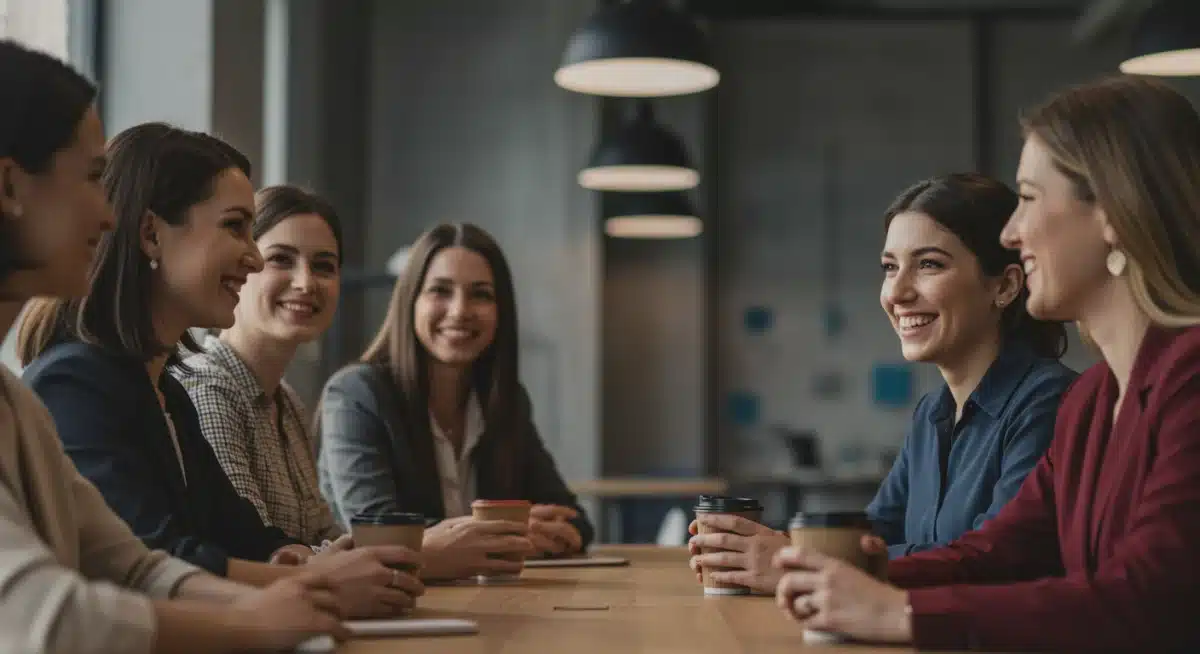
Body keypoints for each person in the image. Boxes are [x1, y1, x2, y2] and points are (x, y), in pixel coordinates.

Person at [775, 74, 1200, 651]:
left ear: (1112, 211)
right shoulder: (1093, 401)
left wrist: (900, 612)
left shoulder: (1189, 380)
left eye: (1028, 198)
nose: (1011, 232)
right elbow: (999, 552)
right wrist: (850, 580)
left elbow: (1147, 597)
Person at [0, 39, 348, 653]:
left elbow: (136, 567)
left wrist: (303, 595)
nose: (109, 218)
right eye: (91, 179)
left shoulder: (23, 403)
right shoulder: (67, 384)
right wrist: (258, 619)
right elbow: (49, 619)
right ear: (9, 186)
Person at [17, 122, 423, 619]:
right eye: (235, 227)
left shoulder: (165, 391)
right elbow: (152, 564)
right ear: (151, 234)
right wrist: (315, 580)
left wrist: (286, 557)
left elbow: (243, 535)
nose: (253, 258)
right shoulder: (74, 384)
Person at [686, 173, 1075, 594]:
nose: (897, 292)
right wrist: (758, 548)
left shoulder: (1050, 402)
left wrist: (798, 563)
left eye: (928, 264)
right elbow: (872, 538)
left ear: (1005, 285)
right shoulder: (932, 414)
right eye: (890, 267)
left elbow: (997, 560)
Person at [318, 222, 593, 572]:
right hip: (390, 609)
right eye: (440, 291)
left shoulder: (504, 400)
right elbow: (379, 534)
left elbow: (574, 520)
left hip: (490, 604)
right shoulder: (356, 395)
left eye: (481, 294)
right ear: (410, 302)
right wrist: (511, 533)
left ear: (501, 312)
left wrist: (499, 537)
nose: (460, 310)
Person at [173, 185, 345, 548]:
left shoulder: (288, 402)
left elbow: (323, 536)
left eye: (324, 266)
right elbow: (250, 552)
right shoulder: (207, 388)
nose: (306, 282)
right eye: (281, 259)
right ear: (242, 264)